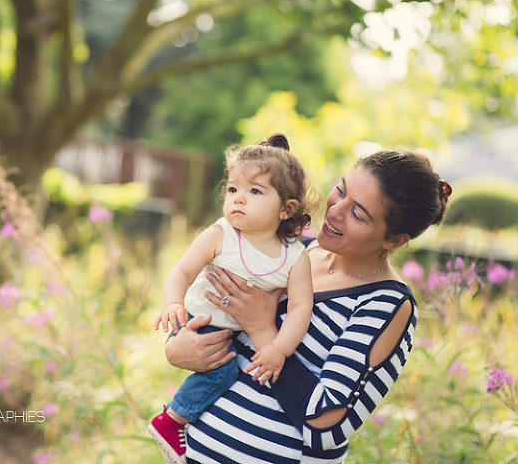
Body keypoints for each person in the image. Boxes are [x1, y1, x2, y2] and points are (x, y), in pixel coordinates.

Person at [164, 149, 452, 463]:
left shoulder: (387, 305)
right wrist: (178, 348)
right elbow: (208, 312)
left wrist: (263, 329)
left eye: (358, 213)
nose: (335, 211)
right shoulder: (288, 250)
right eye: (340, 190)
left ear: (393, 240)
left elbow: (327, 426)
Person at [148, 134, 318, 464]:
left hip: (235, 334)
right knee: (221, 373)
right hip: (199, 324)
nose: (238, 199)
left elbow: (301, 307)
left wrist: (278, 349)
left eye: (255, 191)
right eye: (233, 189)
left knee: (229, 369)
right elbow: (181, 271)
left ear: (287, 209)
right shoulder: (221, 234)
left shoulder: (295, 257)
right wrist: (172, 303)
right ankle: (171, 422)